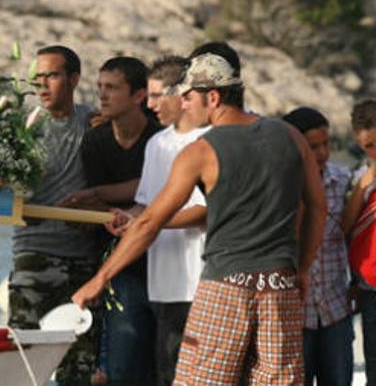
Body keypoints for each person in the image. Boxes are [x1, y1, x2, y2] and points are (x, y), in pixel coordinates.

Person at [73, 52, 326, 386]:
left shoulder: (200, 152)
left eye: (189, 96)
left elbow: (149, 223)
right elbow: (317, 207)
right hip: (280, 285)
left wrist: (100, 278)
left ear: (214, 97)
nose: (185, 103)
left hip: (225, 286)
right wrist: (303, 268)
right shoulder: (290, 136)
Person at [60, 56, 161, 385]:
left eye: (113, 88)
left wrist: (96, 195)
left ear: (139, 96)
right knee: (118, 369)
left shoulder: (159, 139)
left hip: (163, 260)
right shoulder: (96, 140)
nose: (102, 95)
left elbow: (154, 186)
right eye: (101, 87)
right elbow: (102, 202)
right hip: (119, 262)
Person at [109, 56, 210, 386]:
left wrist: (151, 223)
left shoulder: (211, 140)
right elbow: (145, 204)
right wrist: (130, 219)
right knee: (164, 375)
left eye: (156, 96)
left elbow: (204, 210)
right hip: (161, 283)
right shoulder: (157, 143)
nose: (149, 105)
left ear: (182, 95)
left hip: (200, 280)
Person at [9, 45, 105, 385]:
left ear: (74, 79)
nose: (42, 84)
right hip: (33, 256)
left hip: (84, 263)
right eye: (38, 77)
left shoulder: (95, 123)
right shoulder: (25, 127)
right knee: (21, 362)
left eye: (51, 75)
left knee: (78, 368)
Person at [282, 107, 353, 386]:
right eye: (313, 147)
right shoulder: (280, 187)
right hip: (293, 315)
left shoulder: (344, 182)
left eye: (326, 144)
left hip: (336, 310)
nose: (322, 153)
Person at [344, 98, 376, 384]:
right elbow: (345, 228)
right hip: (369, 285)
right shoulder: (356, 179)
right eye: (370, 147)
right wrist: (363, 186)